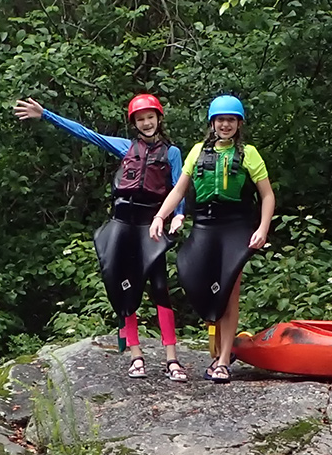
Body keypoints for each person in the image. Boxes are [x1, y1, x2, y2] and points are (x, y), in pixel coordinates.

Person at [14, 94, 188, 381]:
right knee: (126, 288)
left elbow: (179, 184)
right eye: (140, 119)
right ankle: (136, 356)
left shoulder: (171, 153)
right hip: (123, 225)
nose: (146, 123)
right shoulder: (126, 147)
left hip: (151, 225)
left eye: (150, 117)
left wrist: (179, 213)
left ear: (159, 119)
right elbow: (86, 133)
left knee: (160, 287)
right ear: (134, 123)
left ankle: (171, 358)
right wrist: (46, 114)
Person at [149, 95, 275, 384]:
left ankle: (222, 361)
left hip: (236, 228)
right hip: (205, 226)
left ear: (239, 123)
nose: (225, 124)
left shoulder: (249, 153)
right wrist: (160, 216)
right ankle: (219, 349)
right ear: (212, 123)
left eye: (231, 120)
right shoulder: (197, 152)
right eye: (221, 120)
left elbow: (267, 196)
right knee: (197, 282)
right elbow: (179, 191)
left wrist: (262, 228)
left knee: (230, 290)